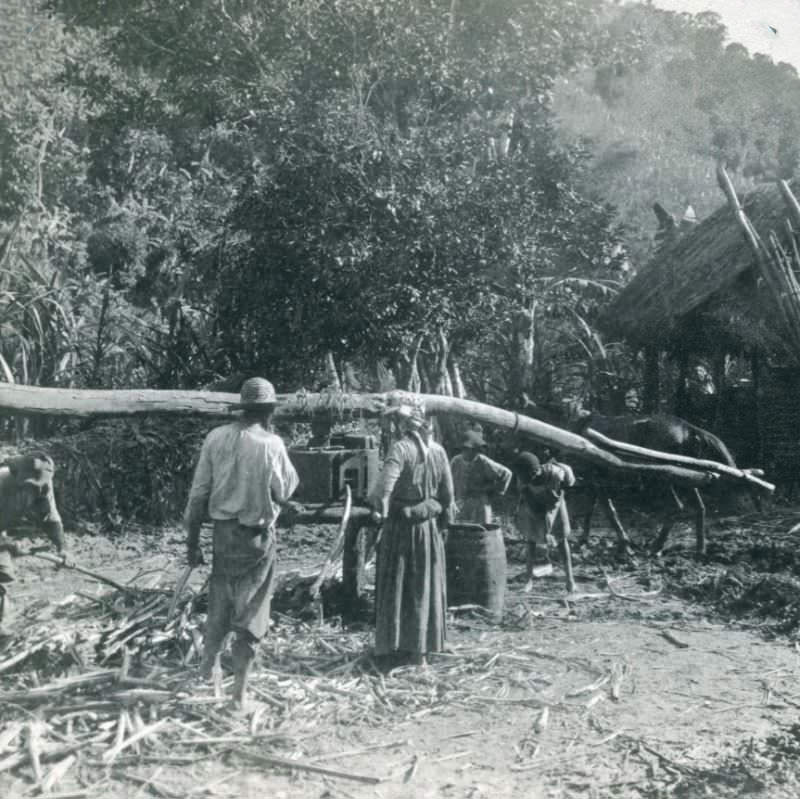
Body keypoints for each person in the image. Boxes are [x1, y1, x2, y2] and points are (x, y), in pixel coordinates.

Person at [184, 377, 299, 710]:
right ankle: (239, 696)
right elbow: (285, 488)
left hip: (222, 536)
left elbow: (198, 495)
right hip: (256, 540)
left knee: (219, 603)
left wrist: (192, 543)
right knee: (251, 614)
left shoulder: (215, 438)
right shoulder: (271, 444)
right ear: (267, 412)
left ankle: (208, 675)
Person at [369, 395, 454, 668]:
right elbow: (448, 495)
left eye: (394, 419)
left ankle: (393, 649)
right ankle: (420, 650)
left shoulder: (400, 450)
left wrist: (379, 511)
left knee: (400, 583)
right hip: (427, 528)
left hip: (401, 528)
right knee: (423, 585)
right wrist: (434, 514)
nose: (392, 424)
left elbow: (383, 490)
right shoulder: (439, 451)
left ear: (403, 422)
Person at [514, 451, 575, 593]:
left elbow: (569, 484)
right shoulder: (523, 477)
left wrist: (549, 515)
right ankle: (528, 579)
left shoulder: (556, 474)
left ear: (536, 471)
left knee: (561, 540)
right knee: (531, 540)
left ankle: (570, 580)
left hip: (555, 506)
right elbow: (525, 495)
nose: (525, 480)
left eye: (528, 477)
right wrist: (537, 514)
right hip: (533, 505)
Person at [449, 429, 512, 526]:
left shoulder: (483, 461)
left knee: (482, 531)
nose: (474, 453)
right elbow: (448, 482)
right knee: (460, 530)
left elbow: (506, 474)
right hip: (460, 503)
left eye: (476, 450)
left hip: (480, 504)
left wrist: (495, 492)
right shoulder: (456, 461)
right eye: (469, 449)